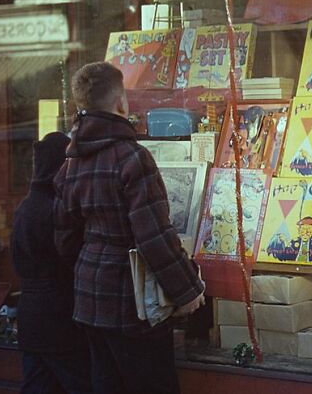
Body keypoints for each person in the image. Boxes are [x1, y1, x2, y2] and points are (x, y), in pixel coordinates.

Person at [54, 62, 205, 394]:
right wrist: (188, 290)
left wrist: (90, 269)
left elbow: (65, 238)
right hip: (132, 303)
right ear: (121, 102)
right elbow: (154, 237)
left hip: (90, 299)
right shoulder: (132, 158)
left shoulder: (72, 162)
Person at [11, 132, 92, 394]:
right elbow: (70, 258)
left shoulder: (26, 207)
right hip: (58, 318)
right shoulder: (56, 208)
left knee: (37, 385)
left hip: (31, 318)